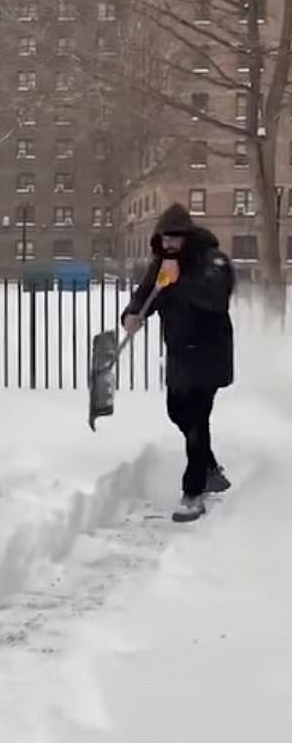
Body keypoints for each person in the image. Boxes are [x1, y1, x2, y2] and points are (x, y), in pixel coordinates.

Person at [121, 203, 234, 522]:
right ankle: (209, 467)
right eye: (165, 239)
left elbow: (216, 298)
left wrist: (176, 283)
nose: (170, 245)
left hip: (210, 353)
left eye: (175, 239)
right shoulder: (162, 265)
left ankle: (193, 492)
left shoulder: (214, 261)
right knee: (177, 410)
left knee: (197, 419)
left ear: (188, 237)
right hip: (180, 353)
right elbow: (145, 295)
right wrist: (131, 314)